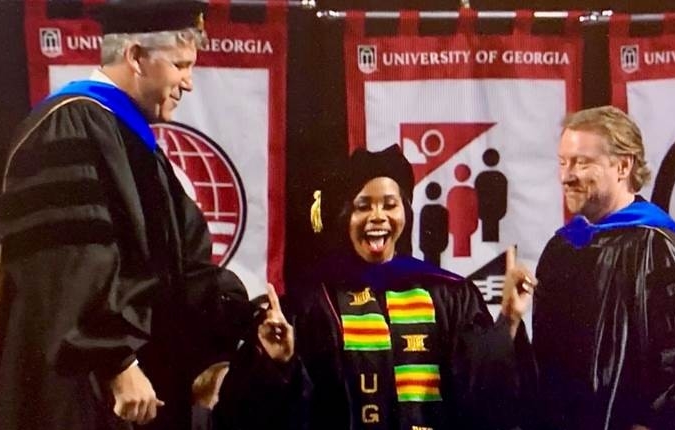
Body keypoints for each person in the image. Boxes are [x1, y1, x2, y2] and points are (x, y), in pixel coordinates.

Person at [0, 1, 284, 429]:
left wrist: (239, 323)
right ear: (136, 56)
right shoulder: (68, 124)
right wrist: (116, 361)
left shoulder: (135, 145)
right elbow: (66, 261)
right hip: (79, 394)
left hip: (135, 402)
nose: (189, 83)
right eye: (180, 65)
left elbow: (181, 270)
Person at [213, 144, 536, 430]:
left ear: (405, 213)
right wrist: (278, 362)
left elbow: (483, 395)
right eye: (363, 205)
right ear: (344, 216)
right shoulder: (312, 304)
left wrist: (508, 320)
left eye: (390, 205)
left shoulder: (447, 294)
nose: (378, 216)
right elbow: (256, 414)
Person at [526, 106, 675, 430]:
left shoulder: (658, 246)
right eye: (563, 162)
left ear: (623, 165)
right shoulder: (562, 248)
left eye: (582, 162)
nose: (566, 176)